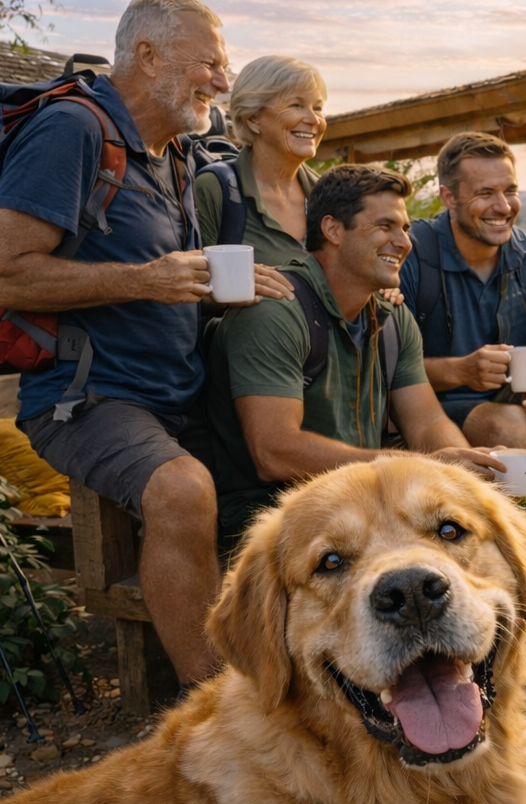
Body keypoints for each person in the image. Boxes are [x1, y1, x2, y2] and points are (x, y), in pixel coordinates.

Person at [0, 0, 288, 686]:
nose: (222, 82)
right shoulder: (72, 131)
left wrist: (221, 285)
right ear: (147, 55)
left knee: (292, 459)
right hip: (88, 396)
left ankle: (293, 673)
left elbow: (162, 275)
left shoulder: (177, 155)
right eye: (210, 63)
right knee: (182, 490)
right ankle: (213, 707)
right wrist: (145, 280)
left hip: (180, 392)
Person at [206, 164, 501, 545]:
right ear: (332, 230)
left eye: (405, 228)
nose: (404, 242)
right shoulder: (276, 311)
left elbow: (427, 424)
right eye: (385, 226)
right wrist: (420, 465)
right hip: (273, 518)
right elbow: (275, 452)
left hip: (365, 504)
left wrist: (469, 469)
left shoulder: (393, 318)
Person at [399, 132, 526, 466]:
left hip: (508, 398)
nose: (504, 206)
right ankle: (521, 501)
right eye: (485, 193)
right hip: (430, 405)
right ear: (449, 197)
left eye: (510, 190)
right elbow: (387, 371)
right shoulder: (411, 252)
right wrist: (460, 371)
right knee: (508, 425)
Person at [194, 54, 322, 261]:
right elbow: (194, 275)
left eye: (318, 108)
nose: (314, 119)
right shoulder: (215, 189)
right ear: (253, 118)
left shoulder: (329, 196)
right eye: (296, 105)